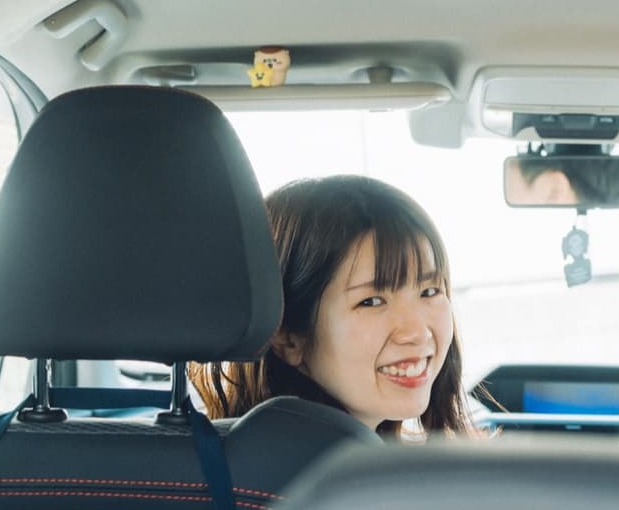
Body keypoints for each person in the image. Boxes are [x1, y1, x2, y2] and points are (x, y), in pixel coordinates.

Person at [190, 175, 474, 437]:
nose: (417, 332)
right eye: (371, 302)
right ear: (288, 337)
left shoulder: (242, 463)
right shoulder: (344, 483)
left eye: (429, 291)